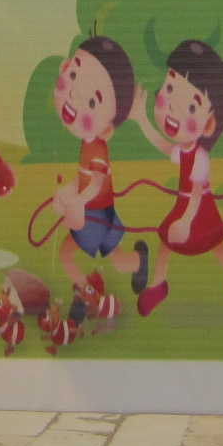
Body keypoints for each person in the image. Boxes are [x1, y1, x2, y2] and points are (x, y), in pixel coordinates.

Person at [130, 39, 223, 316]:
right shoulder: (184, 150)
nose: (174, 106)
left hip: (198, 210)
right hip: (184, 206)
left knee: (215, 249)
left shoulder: (200, 158)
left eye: (192, 107)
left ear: (209, 124)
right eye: (170, 88)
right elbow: (163, 146)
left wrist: (185, 220)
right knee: (166, 243)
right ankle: (158, 285)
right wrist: (142, 119)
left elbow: (196, 193)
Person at [49, 35, 149, 322]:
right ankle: (137, 262)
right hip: (99, 212)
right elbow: (84, 180)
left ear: (106, 129)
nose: (76, 98)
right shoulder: (88, 142)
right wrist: (67, 193)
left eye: (92, 101)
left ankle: (86, 295)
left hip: (96, 213)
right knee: (115, 259)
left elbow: (94, 183)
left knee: (67, 256)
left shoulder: (96, 148)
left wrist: (77, 201)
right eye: (74, 74)